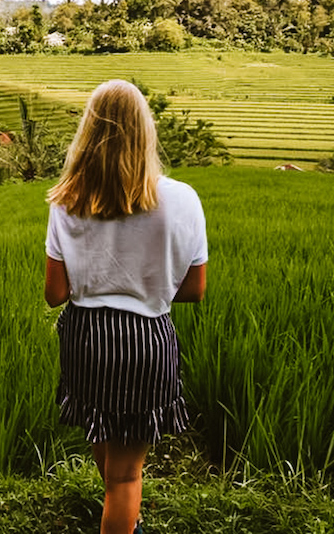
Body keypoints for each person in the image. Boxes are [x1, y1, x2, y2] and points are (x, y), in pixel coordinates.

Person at [44, 79, 207, 534]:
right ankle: (122, 514)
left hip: (87, 339)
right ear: (146, 131)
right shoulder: (183, 199)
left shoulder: (67, 199)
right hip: (146, 340)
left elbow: (55, 293)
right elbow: (194, 289)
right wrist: (146, 283)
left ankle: (119, 514)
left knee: (104, 440)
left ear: (88, 131)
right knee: (126, 475)